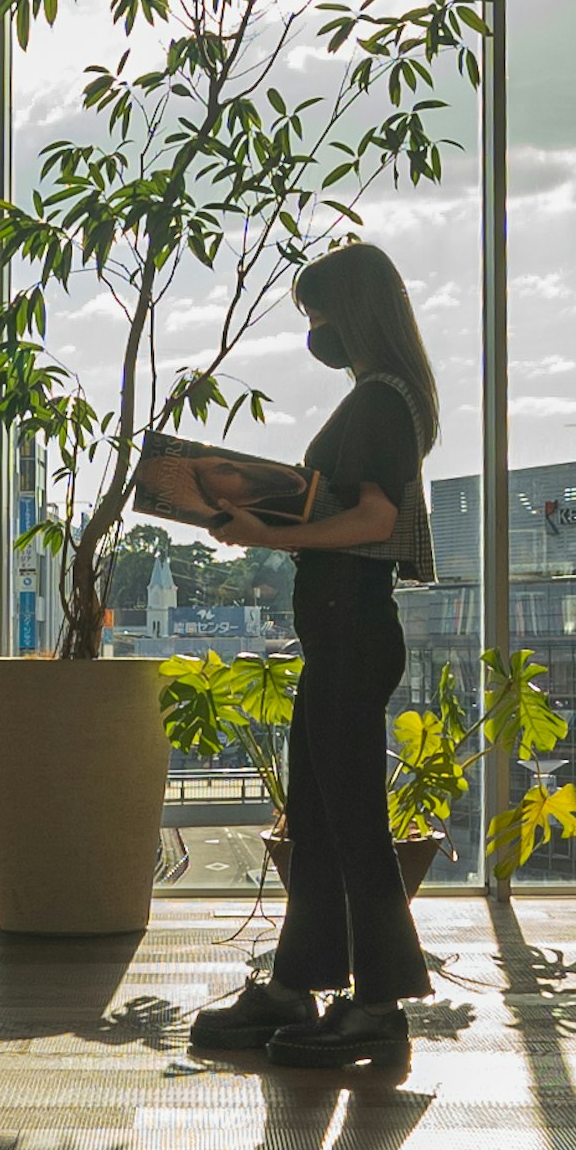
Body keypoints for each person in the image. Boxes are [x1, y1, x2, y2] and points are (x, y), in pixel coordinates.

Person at [180, 236, 442, 1069]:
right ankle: (301, 983)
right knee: (323, 822)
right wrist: (269, 517)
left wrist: (266, 530)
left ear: (353, 310)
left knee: (352, 823)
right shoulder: (387, 396)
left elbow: (370, 520)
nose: (314, 328)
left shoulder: (379, 404)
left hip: (353, 626)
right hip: (344, 630)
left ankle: (379, 1004)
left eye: (318, 310)